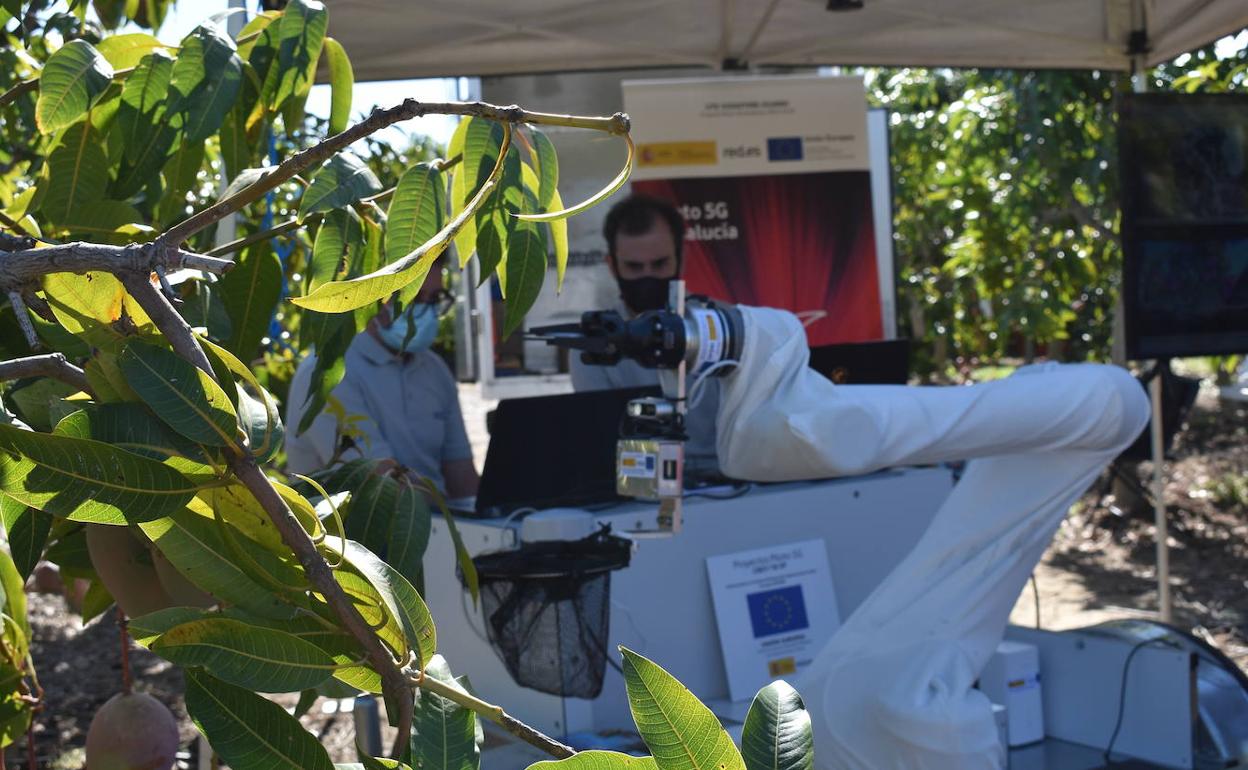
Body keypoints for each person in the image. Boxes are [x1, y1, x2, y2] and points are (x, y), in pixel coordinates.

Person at [285, 261, 479, 499]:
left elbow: (461, 473)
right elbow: (380, 484)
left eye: (434, 298)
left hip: (435, 524)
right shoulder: (328, 374)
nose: (425, 310)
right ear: (374, 295)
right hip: (352, 532)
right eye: (413, 297)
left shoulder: (434, 369)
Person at [569, 194, 721, 477]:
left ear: (681, 259)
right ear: (613, 266)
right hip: (639, 483)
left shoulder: (722, 327)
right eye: (634, 268)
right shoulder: (593, 345)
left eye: (660, 264)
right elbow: (605, 441)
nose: (648, 277)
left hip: (728, 481)